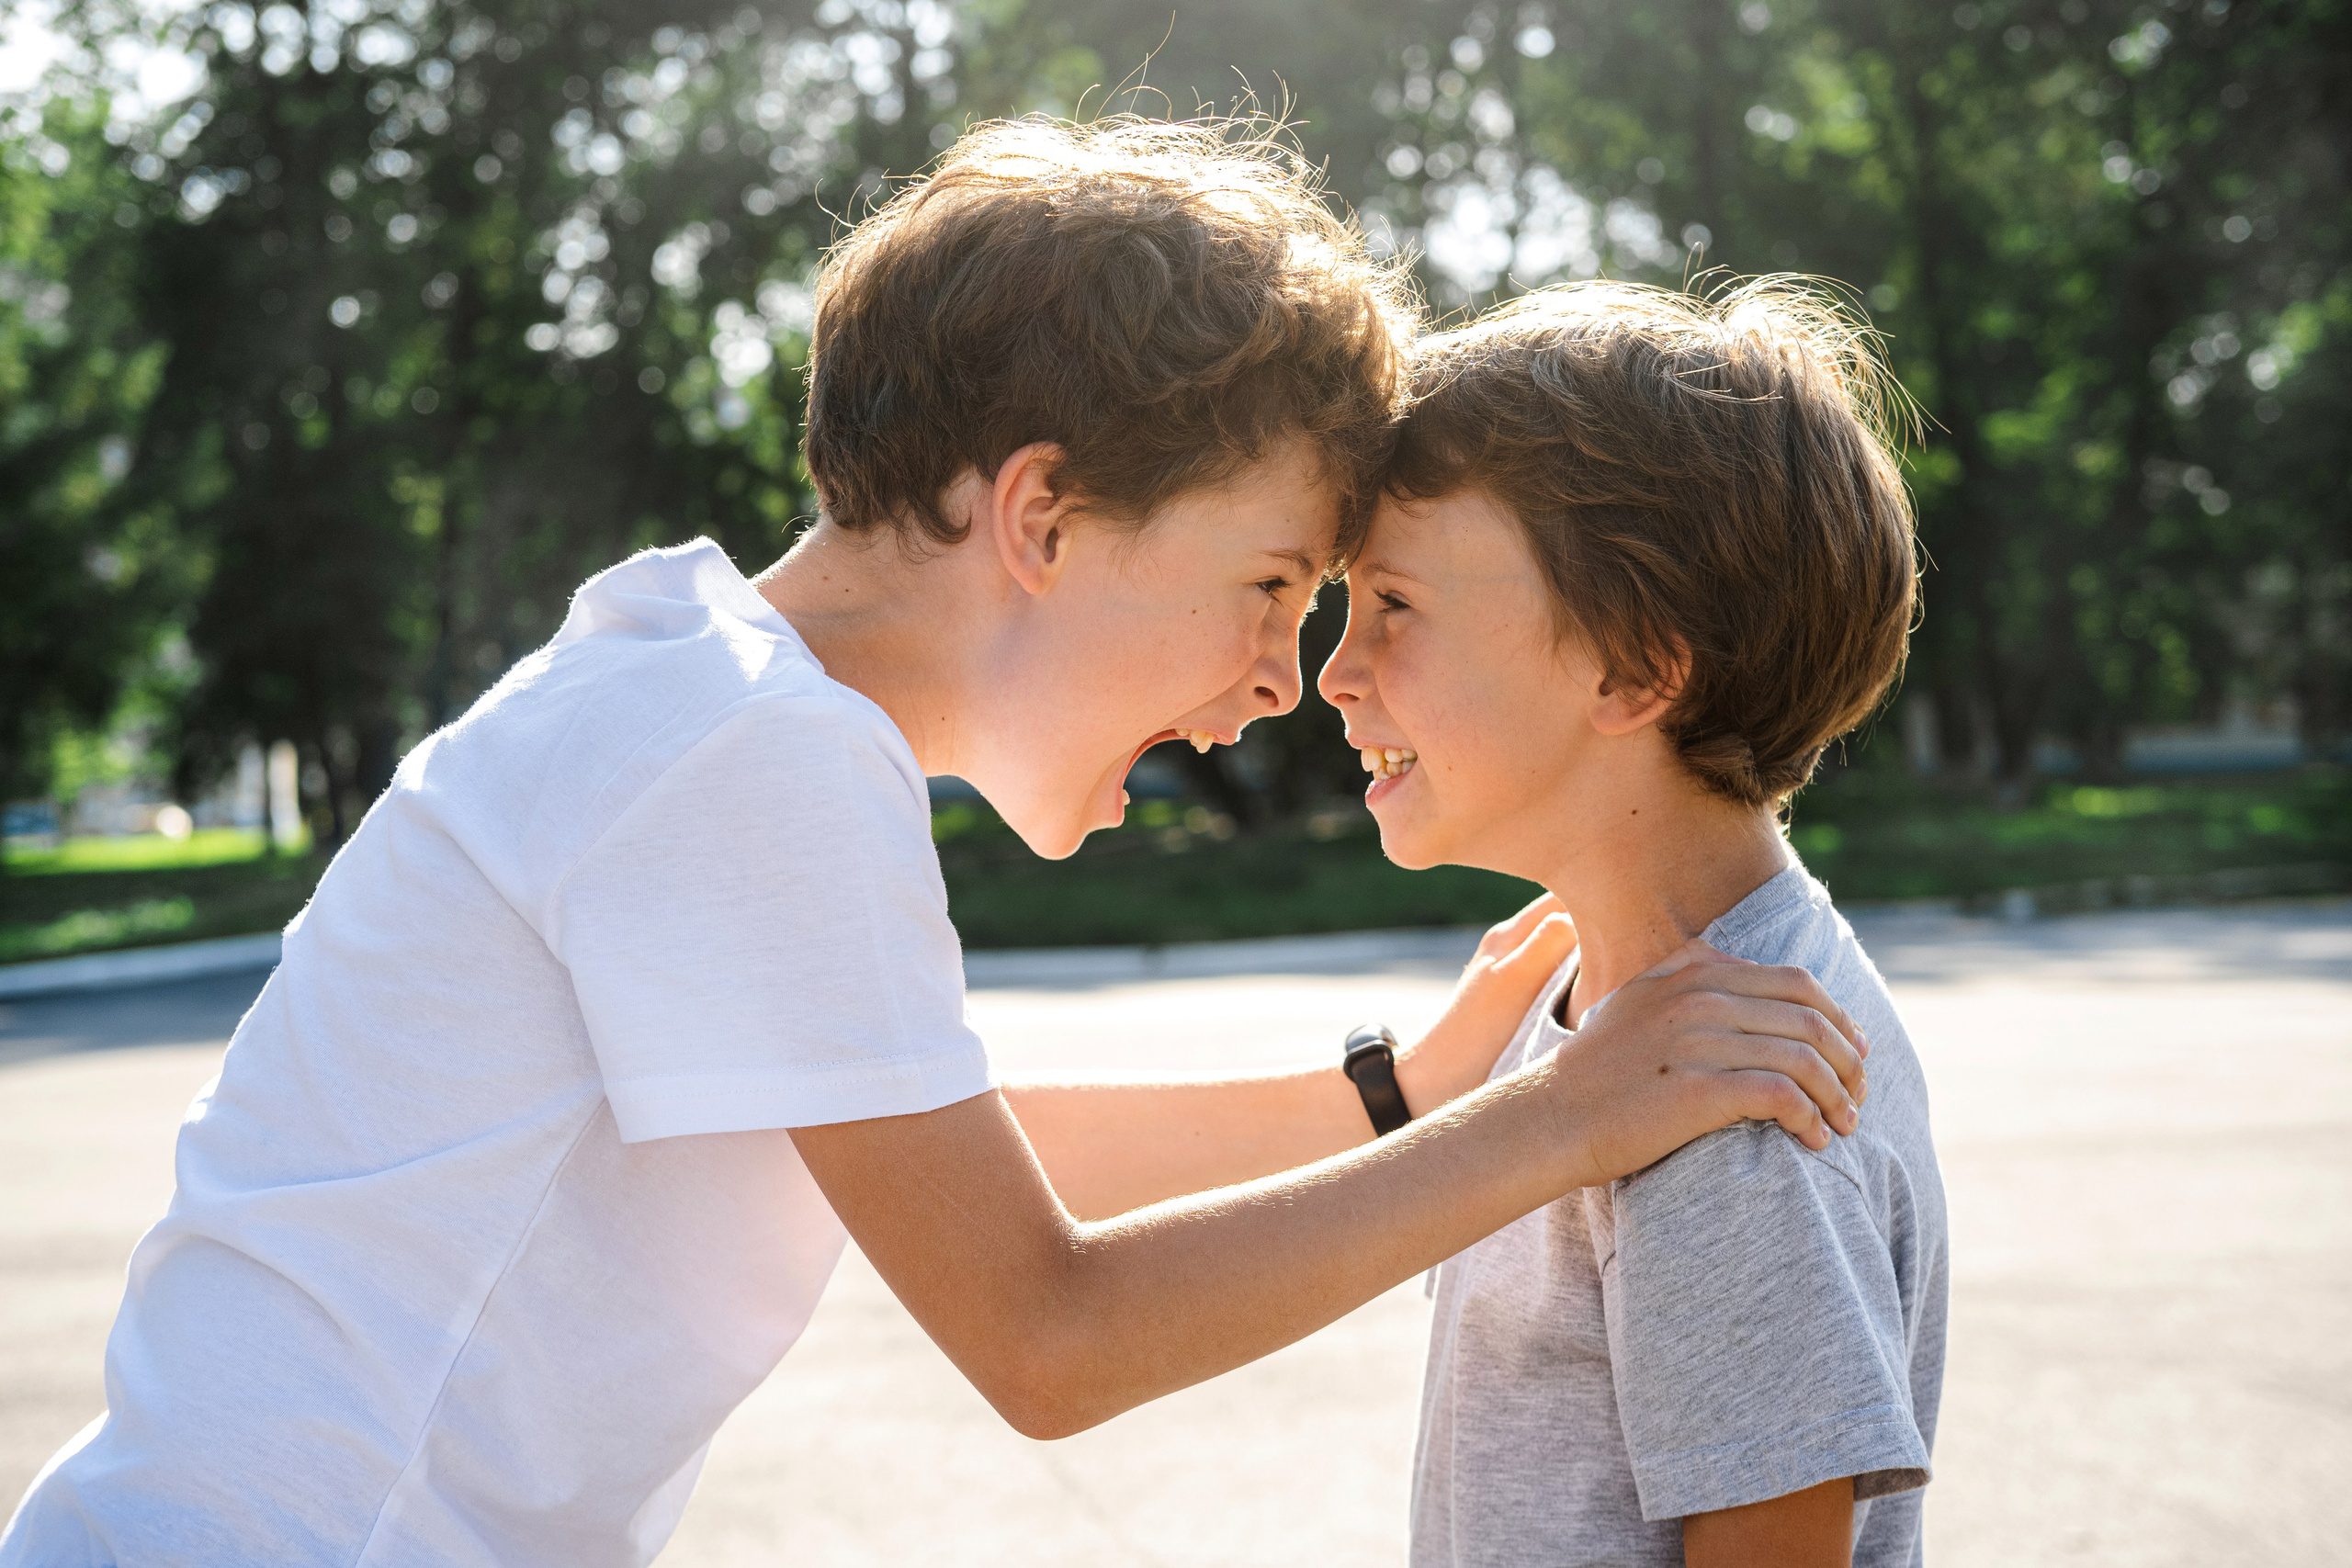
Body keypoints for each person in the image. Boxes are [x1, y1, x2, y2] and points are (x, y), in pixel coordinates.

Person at [0, 124, 1869, 1568]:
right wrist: (1556, 1117)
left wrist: (1398, 1094)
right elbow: (1047, 1332)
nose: (1276, 679)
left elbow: (932, 1142)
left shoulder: (691, 684)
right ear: (1042, 517)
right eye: (1269, 583)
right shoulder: (752, 757)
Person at [1312, 279, 1948, 1568]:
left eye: (1395, 606)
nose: (1335, 672)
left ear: (1636, 666)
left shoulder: (1734, 1114)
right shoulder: (1619, 1018)